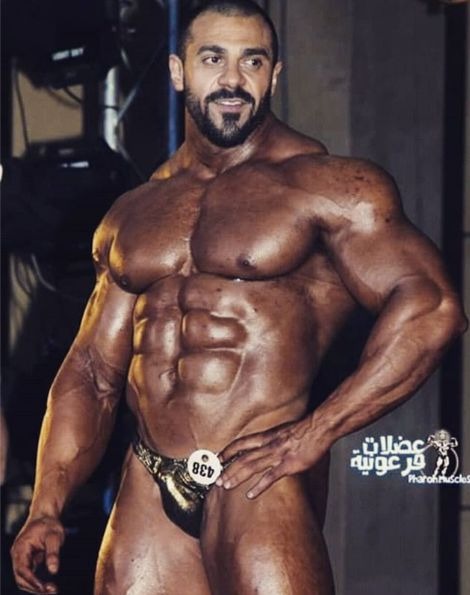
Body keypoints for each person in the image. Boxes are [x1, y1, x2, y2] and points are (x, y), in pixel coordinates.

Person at [10, 1, 467, 593]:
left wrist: (315, 432)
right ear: (178, 72)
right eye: (213, 59)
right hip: (149, 478)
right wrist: (47, 503)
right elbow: (93, 370)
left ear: (274, 74)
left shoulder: (328, 186)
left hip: (259, 476)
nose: (232, 80)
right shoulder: (133, 212)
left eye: (252, 61)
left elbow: (432, 308)